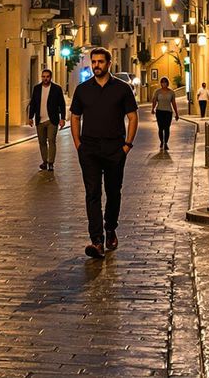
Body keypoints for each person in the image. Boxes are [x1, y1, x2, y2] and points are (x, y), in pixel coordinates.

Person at [70, 47, 138, 260]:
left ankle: (110, 229)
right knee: (92, 193)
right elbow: (74, 117)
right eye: (94, 61)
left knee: (113, 191)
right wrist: (78, 145)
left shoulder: (122, 88)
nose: (97, 65)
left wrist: (126, 146)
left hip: (114, 149)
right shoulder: (82, 90)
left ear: (109, 63)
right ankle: (97, 240)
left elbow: (133, 118)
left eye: (101, 61)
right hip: (89, 149)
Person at [27, 68, 66, 171]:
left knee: (52, 140)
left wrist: (62, 118)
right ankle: (45, 161)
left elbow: (62, 104)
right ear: (41, 77)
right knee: (42, 142)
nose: (45, 79)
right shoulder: (37, 88)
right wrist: (30, 117)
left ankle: (51, 162)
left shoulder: (57, 89)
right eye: (43, 77)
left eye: (47, 77)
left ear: (50, 77)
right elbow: (33, 104)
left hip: (52, 120)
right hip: (40, 120)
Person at [152, 77, 176, 152]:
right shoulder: (157, 92)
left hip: (168, 112)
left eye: (165, 82)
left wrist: (177, 113)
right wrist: (153, 109)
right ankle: (161, 141)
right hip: (159, 111)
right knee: (160, 128)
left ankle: (166, 143)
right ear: (161, 83)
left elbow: (173, 103)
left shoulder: (171, 92)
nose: (164, 83)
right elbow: (154, 101)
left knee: (167, 128)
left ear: (167, 83)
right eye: (162, 82)